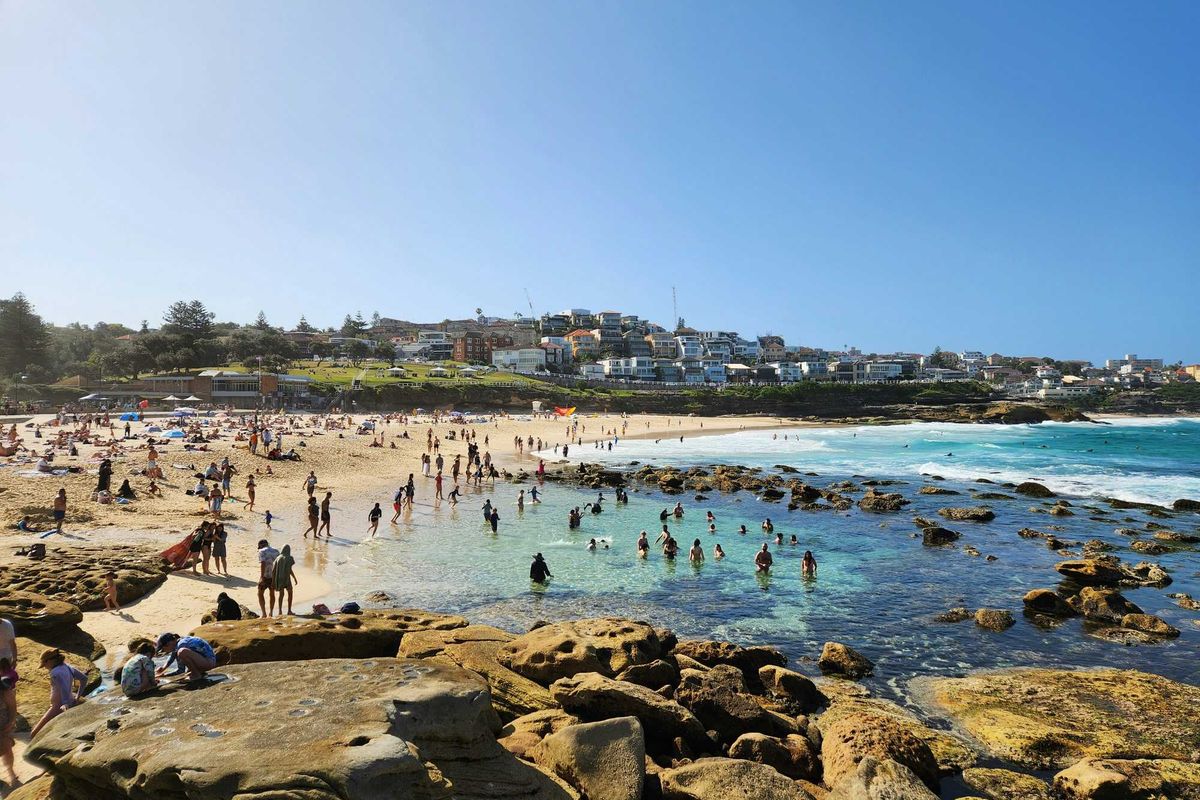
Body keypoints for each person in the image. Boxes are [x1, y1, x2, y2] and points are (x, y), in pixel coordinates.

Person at [28, 649, 87, 737]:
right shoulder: (67, 667)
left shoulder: (55, 672)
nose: (44, 667)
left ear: (49, 661)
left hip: (58, 706)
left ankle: (31, 744)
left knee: (36, 730)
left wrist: (65, 703)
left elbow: (63, 686)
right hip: (69, 700)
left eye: (44, 664)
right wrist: (77, 697)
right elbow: (84, 678)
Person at [272, 544, 298, 614]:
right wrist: (294, 578)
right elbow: (289, 569)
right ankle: (289, 610)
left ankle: (280, 611)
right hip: (287, 578)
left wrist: (273, 581)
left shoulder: (278, 558)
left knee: (281, 595)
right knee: (290, 593)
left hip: (279, 578)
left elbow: (273, 571)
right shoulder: (290, 558)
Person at [0, 676, 16, 789]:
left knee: (6, 749)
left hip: (4, 726)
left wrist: (11, 722)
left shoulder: (4, 689)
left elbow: (12, 707)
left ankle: (11, 773)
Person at [256, 539, 279, 617]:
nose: (259, 548)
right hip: (274, 576)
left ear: (261, 545)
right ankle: (271, 613)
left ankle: (264, 613)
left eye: (259, 547)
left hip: (265, 576)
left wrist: (262, 577)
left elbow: (263, 563)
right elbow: (278, 565)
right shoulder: (276, 551)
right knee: (272, 594)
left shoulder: (261, 551)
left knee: (260, 593)